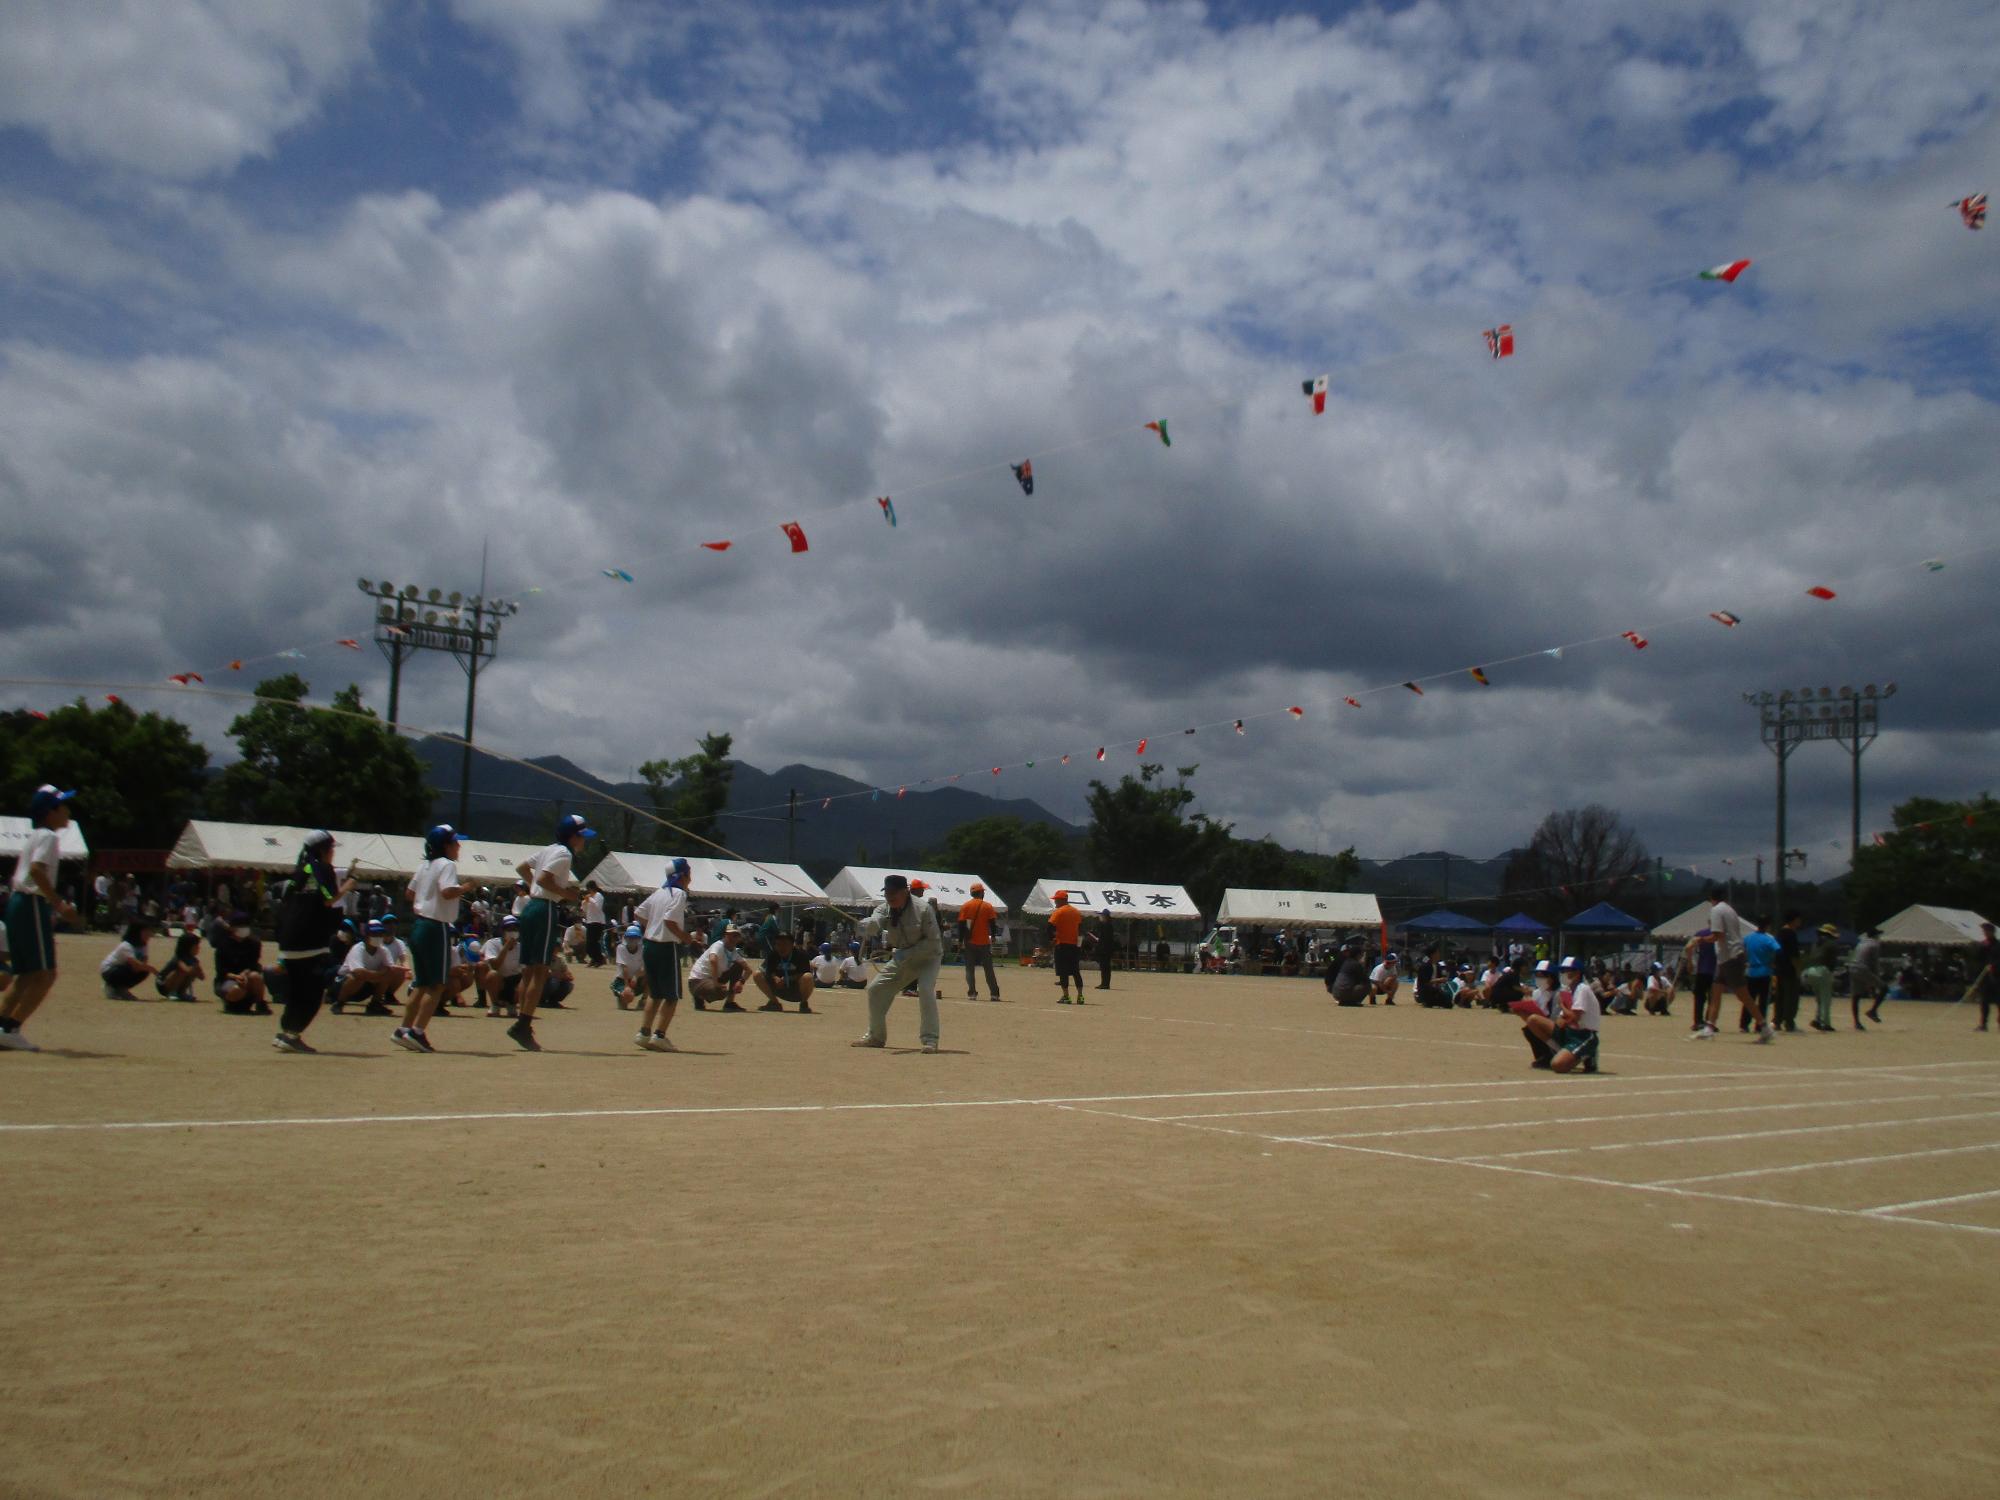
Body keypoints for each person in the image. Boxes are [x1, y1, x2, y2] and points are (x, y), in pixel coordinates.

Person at [0, 785, 82, 1051]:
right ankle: (11, 1028)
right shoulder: (48, 836)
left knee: (25, 974)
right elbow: (37, 870)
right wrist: (58, 904)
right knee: (46, 974)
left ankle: (3, 1026)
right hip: (31, 902)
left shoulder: (37, 835)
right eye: (63, 806)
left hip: (18, 902)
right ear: (50, 812)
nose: (67, 810)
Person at [510, 813, 595, 1052]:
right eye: (582, 837)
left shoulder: (549, 849)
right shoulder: (564, 853)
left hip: (531, 907)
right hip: (545, 908)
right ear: (573, 836)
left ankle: (520, 1018)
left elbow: (522, 867)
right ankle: (523, 1024)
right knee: (540, 969)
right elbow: (546, 878)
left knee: (529, 969)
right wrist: (565, 893)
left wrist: (534, 886)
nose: (584, 841)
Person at [270, 830, 359, 1054]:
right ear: (322, 850)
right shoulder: (321, 867)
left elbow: (291, 900)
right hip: (309, 940)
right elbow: (329, 899)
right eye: (330, 849)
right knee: (313, 992)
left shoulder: (301, 870)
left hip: (289, 940)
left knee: (298, 990)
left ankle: (286, 1032)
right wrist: (348, 886)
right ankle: (292, 1034)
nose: (332, 854)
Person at [850, 873, 942, 1051]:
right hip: (902, 957)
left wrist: (907, 953)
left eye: (894, 893)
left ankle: (930, 1039)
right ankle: (876, 1036)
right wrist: (866, 926)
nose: (890, 897)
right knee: (876, 989)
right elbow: (875, 922)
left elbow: (933, 942)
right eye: (887, 893)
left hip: (928, 957)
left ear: (905, 892)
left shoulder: (923, 909)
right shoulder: (884, 909)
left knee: (925, 989)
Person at [397, 823, 466, 1054]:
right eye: (455, 842)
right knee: (436, 985)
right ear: (446, 846)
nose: (458, 846)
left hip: (419, 924)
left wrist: (425, 898)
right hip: (436, 926)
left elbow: (409, 893)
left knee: (421, 983)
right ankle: (417, 1031)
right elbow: (447, 892)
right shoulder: (447, 865)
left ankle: (403, 1029)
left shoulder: (424, 865)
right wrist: (465, 887)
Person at [1694, 887, 1772, 1043]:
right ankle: (1709, 1028)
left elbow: (1718, 935)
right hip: (1727, 957)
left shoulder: (1716, 910)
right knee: (1716, 991)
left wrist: (1699, 940)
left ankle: (1764, 1027)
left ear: (1712, 899)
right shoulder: (1729, 910)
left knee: (1743, 995)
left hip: (1731, 956)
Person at [633, 858, 695, 1050]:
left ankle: (644, 1032)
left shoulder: (658, 893)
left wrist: (652, 927)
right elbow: (670, 922)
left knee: (655, 992)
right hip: (667, 946)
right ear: (683, 876)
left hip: (650, 945)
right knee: (672, 995)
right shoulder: (679, 894)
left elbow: (638, 914)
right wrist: (686, 938)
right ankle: (659, 1035)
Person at [211, 912, 271, 1015]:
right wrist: (235, 977)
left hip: (247, 976)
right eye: (240, 925)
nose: (244, 928)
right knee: (237, 990)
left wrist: (245, 974)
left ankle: (260, 1003)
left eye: (246, 925)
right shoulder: (223, 945)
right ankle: (230, 1003)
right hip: (227, 979)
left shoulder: (254, 943)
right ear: (232, 928)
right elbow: (221, 971)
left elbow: (253, 964)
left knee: (256, 976)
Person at [1550, 956, 1601, 1074]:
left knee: (1558, 1065)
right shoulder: (1569, 990)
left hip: (1584, 1034)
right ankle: (1562, 1053)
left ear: (1577, 973)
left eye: (1566, 971)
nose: (1563, 974)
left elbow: (1575, 1016)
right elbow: (1563, 1018)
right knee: (1535, 1021)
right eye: (1562, 971)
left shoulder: (1582, 989)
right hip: (1570, 1031)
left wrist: (1562, 1006)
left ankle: (1586, 1054)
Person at [1509, 959, 1560, 1068]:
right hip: (1544, 1023)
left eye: (1542, 976)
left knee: (1533, 1023)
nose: (1538, 979)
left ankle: (1555, 1050)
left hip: (1559, 1027)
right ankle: (1544, 1055)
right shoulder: (1538, 993)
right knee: (1529, 1029)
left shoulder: (1559, 993)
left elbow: (1555, 1018)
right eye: (1537, 975)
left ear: (1551, 977)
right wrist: (1522, 1012)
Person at [689, 923, 751, 1011]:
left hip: (712, 979)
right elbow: (713, 960)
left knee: (738, 966)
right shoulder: (718, 945)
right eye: (729, 935)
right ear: (725, 935)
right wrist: (716, 983)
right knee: (721, 992)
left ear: (739, 938)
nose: (732, 938)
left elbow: (749, 970)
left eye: (735, 935)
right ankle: (699, 997)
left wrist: (741, 982)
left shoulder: (734, 952)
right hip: (697, 980)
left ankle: (729, 1003)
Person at [754, 930, 816, 1014]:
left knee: (808, 976)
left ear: (792, 945)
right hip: (778, 987)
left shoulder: (801, 955)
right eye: (778, 944)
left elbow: (803, 972)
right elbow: (768, 971)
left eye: (785, 944)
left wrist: (788, 978)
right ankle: (774, 1002)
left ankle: (804, 1003)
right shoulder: (773, 955)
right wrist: (775, 978)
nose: (781, 948)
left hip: (797, 990)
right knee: (757, 974)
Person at [1802, 923, 1850, 1032]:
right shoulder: (1832, 944)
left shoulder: (1815, 944)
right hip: (1823, 971)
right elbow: (1832, 962)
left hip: (1810, 971)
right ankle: (1826, 1023)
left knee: (1819, 999)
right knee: (1826, 1000)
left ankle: (1818, 1019)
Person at [958, 882, 1001, 1002]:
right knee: (988, 969)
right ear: (981, 892)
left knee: (969, 969)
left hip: (969, 941)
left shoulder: (965, 906)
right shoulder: (987, 906)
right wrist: (993, 936)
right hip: (984, 942)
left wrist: (960, 940)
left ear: (972, 893)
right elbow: (992, 923)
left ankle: (972, 993)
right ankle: (994, 994)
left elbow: (961, 925)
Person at [99, 919, 157, 1001]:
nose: (149, 934)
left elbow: (142, 964)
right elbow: (136, 964)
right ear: (137, 933)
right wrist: (154, 970)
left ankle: (121, 989)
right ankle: (112, 986)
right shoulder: (126, 945)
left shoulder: (143, 945)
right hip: (109, 970)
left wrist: (145, 967)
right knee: (134, 968)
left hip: (124, 967)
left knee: (143, 971)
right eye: (146, 932)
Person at [1743, 916, 1781, 1036]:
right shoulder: (1769, 939)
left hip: (1751, 971)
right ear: (1768, 925)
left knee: (1749, 999)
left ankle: (1744, 1023)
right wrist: (1773, 962)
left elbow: (1742, 950)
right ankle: (1760, 1025)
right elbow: (1779, 951)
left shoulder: (1748, 938)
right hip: (1765, 971)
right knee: (1763, 1001)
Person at [1047, 889, 1086, 1003]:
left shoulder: (1058, 912)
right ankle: (1080, 996)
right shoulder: (1076, 912)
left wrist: (1051, 939)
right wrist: (1079, 945)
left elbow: (1049, 927)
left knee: (1063, 972)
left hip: (1061, 945)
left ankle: (1066, 996)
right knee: (1075, 971)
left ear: (1061, 900)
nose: (1055, 902)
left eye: (1056, 900)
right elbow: (1081, 929)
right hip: (1074, 946)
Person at [480, 917, 524, 1015]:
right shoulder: (492, 943)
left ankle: (512, 1004)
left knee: (526, 979)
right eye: (509, 929)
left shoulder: (521, 947)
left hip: (514, 981)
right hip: (499, 982)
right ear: (503, 931)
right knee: (492, 974)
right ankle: (495, 1004)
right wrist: (506, 947)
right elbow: (495, 966)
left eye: (515, 929)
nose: (512, 932)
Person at [154, 923, 205, 1001]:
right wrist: (194, 967)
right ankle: (172, 992)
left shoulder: (193, 959)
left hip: (177, 980)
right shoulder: (178, 958)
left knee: (192, 972)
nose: (198, 948)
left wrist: (197, 969)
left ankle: (181, 992)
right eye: (196, 946)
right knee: (182, 971)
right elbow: (185, 969)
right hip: (163, 984)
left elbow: (202, 977)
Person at [1774, 910, 1805, 1033]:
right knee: (1791, 997)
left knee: (1780, 996)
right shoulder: (1791, 933)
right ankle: (1789, 1022)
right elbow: (1794, 955)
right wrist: (1798, 970)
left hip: (1779, 968)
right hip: (1789, 969)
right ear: (1794, 920)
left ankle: (1777, 1021)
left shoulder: (1779, 933)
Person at [1682, 928, 1716, 1036]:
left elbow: (1688, 947)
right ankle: (1709, 1021)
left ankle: (1698, 1021)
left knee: (1699, 998)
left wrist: (1689, 962)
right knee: (1713, 998)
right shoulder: (1718, 934)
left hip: (1702, 970)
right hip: (1714, 970)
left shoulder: (1700, 934)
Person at [1853, 928, 1886, 1025]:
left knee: (1856, 996)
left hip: (1852, 967)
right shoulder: (1875, 944)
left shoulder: (1860, 943)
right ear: (1875, 936)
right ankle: (1873, 1011)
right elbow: (1874, 963)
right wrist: (1876, 979)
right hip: (1863, 968)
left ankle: (1857, 1022)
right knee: (1884, 988)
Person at [611, 925, 647, 1010]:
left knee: (651, 977)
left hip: (637, 979)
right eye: (630, 937)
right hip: (622, 980)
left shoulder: (643, 949)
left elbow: (645, 968)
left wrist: (636, 976)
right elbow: (624, 967)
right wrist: (627, 986)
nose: (632, 940)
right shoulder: (621, 948)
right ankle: (622, 997)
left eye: (635, 937)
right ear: (626, 938)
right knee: (625, 1000)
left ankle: (643, 1001)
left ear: (639, 939)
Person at [1974, 920, 2000, 1032]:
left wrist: (1993, 966)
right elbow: (1978, 960)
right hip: (1985, 978)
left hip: (1997, 977)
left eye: (1986, 930)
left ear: (1991, 932)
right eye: (1983, 930)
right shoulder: (1982, 945)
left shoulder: (1998, 945)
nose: (1984, 932)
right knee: (1984, 1001)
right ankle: (1983, 1024)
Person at [1326, 942, 1369, 1006]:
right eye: (1345, 951)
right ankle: (1353, 1001)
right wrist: (1362, 965)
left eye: (1348, 951)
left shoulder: (1346, 961)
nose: (1347, 953)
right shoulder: (1340, 961)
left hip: (1337, 989)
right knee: (1367, 985)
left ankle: (1345, 1000)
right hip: (1335, 986)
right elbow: (1365, 979)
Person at [581, 881, 608, 967]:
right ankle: (594, 958)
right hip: (590, 921)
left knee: (594, 942)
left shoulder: (599, 896)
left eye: (589, 889)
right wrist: (584, 902)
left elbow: (598, 907)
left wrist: (591, 899)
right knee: (589, 943)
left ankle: (599, 959)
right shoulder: (590, 897)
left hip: (598, 921)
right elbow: (584, 909)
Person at [1092, 909, 1115, 991]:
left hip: (1105, 949)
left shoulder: (1106, 925)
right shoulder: (1108, 925)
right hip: (1107, 949)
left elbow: (1104, 938)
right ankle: (1104, 983)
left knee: (1105, 967)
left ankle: (1105, 984)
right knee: (1105, 967)